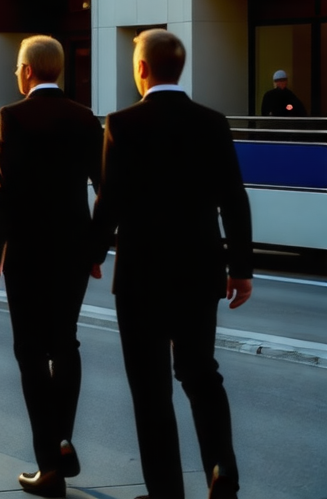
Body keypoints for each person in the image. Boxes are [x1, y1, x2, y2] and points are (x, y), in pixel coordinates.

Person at [92, 29, 252, 499]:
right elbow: (234, 200)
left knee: (151, 388)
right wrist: (240, 267)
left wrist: (93, 252)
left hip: (141, 272)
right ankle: (221, 469)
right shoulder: (213, 123)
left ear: (141, 69)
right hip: (202, 269)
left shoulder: (122, 123)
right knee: (201, 372)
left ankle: (165, 492)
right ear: (179, 68)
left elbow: (110, 201)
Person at [0, 36, 103, 498]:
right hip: (73, 248)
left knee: (30, 351)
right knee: (65, 343)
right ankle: (64, 438)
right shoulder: (85, 118)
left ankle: (48, 464)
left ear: (28, 72)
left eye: (17, 68)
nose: (16, 74)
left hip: (28, 250)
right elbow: (104, 186)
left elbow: (5, 185)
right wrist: (97, 248)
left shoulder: (14, 116)